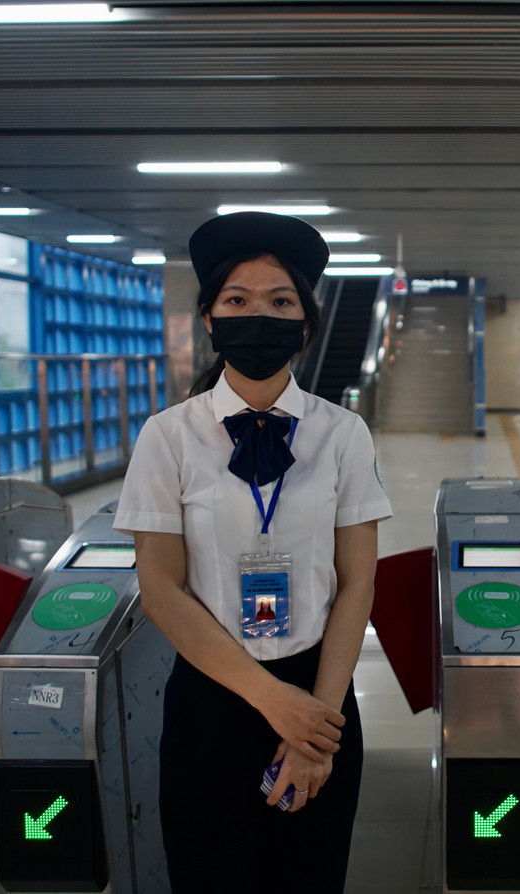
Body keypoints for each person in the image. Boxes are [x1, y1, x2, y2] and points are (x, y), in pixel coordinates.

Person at [113, 211, 391, 893]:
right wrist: (273, 702)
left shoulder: (343, 434)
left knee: (310, 876)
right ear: (209, 318)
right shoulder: (168, 437)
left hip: (321, 692)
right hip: (212, 698)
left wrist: (312, 726)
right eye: (237, 300)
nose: (258, 316)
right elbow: (161, 588)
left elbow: (357, 583)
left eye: (280, 302)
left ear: (305, 323)